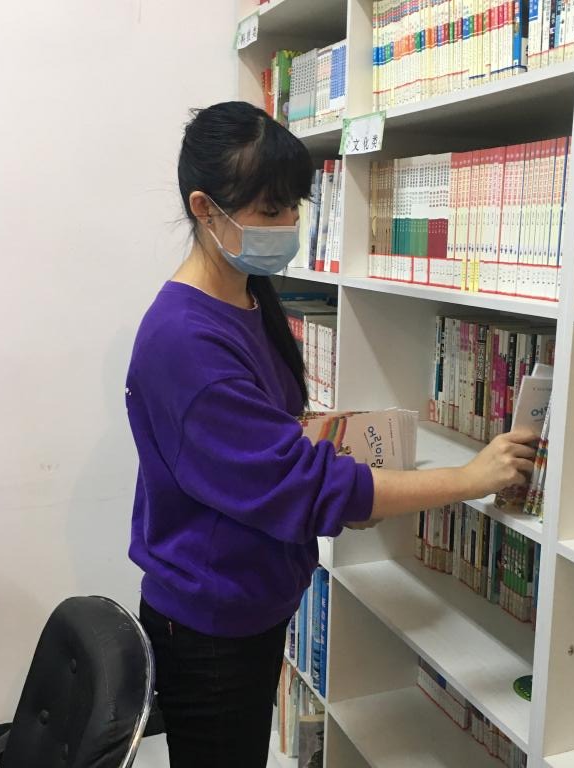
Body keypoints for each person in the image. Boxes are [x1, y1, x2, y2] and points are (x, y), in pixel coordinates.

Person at [126, 101, 536, 767]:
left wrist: (350, 471)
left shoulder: (248, 292)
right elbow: (299, 484)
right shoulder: (185, 341)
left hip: (253, 592)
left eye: (294, 206)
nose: (288, 225)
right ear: (205, 209)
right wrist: (468, 479)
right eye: (269, 210)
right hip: (210, 619)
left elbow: (277, 441)